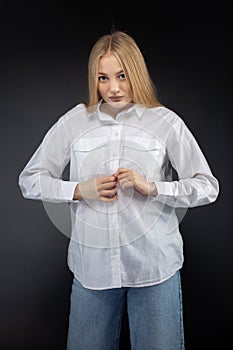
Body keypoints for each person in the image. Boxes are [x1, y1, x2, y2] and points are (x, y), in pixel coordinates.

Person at [18, 30, 219, 350]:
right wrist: (79, 189)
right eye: (103, 77)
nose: (112, 87)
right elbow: (29, 179)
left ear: (135, 73)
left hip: (155, 268)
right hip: (92, 272)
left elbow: (208, 186)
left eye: (122, 76)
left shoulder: (166, 122)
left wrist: (152, 187)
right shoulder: (75, 121)